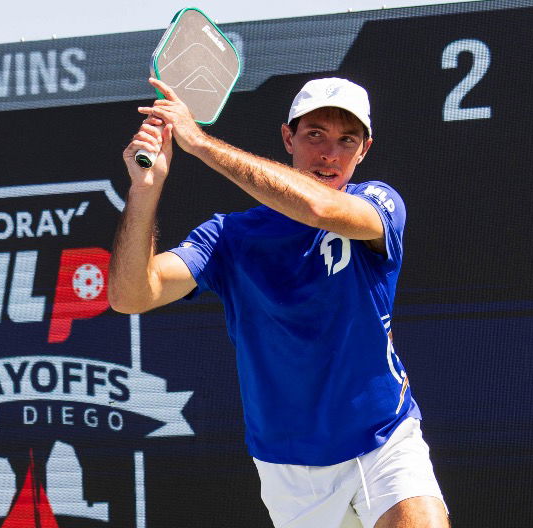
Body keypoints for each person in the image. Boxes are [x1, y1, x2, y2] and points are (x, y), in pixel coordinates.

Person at [109, 77, 449, 528]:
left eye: (347, 140)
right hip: (290, 469)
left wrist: (200, 143)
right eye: (315, 135)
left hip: (384, 437)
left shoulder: (379, 202)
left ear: (363, 150)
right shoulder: (228, 236)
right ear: (288, 137)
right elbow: (132, 294)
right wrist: (145, 189)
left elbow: (320, 210)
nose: (330, 153)